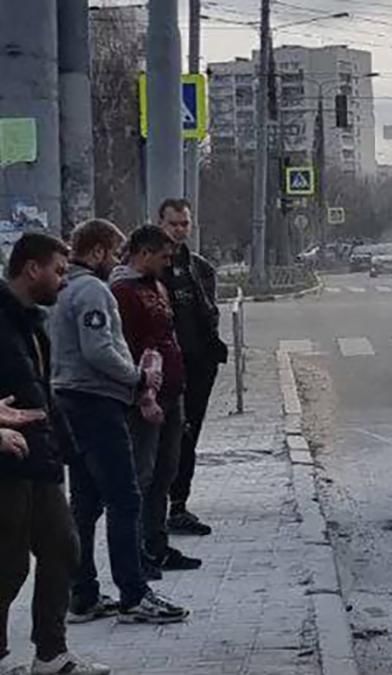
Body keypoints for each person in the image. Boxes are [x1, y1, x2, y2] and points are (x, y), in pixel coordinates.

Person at [50, 219, 189, 626]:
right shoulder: (93, 289)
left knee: (86, 503)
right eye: (113, 253)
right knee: (125, 498)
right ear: (96, 252)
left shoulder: (61, 289)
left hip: (68, 399)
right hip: (96, 401)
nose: (117, 261)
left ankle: (83, 593)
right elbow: (100, 350)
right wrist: (138, 377)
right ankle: (134, 593)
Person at [0, 232, 109, 675]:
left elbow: (41, 391)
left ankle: (51, 654)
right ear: (32, 269)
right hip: (5, 461)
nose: (64, 282)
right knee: (7, 568)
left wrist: (67, 446)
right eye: (59, 271)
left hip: (39, 457)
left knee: (63, 546)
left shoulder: (30, 321)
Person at [110, 226, 201, 574]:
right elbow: (126, 347)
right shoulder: (122, 291)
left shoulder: (156, 286)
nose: (168, 263)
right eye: (163, 256)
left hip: (171, 392)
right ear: (143, 253)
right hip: (143, 398)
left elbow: (167, 333)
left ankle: (157, 544)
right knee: (142, 475)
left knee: (166, 472)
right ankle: (137, 554)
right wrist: (143, 391)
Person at [158, 199, 226, 536]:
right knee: (166, 439)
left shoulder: (199, 267)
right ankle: (158, 508)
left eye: (185, 224)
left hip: (198, 364)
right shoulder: (150, 267)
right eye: (174, 224)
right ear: (160, 223)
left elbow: (208, 313)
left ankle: (179, 505)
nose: (180, 230)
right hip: (165, 369)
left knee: (188, 436)